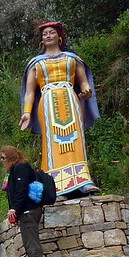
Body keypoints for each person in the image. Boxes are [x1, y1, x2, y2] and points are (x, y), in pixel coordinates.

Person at [20, 21, 101, 198]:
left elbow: (84, 81)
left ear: (60, 36)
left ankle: (83, 181)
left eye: (51, 32)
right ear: (42, 40)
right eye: (45, 34)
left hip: (70, 98)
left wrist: (87, 90)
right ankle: (54, 185)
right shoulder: (36, 63)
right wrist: (26, 112)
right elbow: (29, 92)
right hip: (47, 102)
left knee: (76, 139)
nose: (48, 36)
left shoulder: (72, 59)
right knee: (52, 142)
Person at [1, 146, 44, 257]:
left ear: (10, 158)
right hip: (26, 210)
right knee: (28, 239)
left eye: (3, 157)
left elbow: (22, 189)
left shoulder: (21, 168)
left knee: (31, 241)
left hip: (29, 210)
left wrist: (14, 208)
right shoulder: (17, 169)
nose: (2, 160)